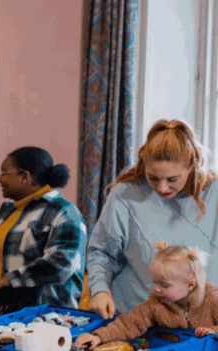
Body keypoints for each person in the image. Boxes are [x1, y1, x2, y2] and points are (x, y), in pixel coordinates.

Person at [87, 119, 218, 319]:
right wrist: (99, 288)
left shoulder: (213, 194)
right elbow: (101, 251)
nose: (162, 188)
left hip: (202, 326)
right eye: (153, 178)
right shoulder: (126, 195)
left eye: (172, 179)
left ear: (192, 166)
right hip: (137, 319)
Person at [0, 147, 87, 308]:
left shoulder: (63, 212)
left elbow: (62, 263)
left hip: (42, 316)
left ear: (25, 176)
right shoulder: (8, 210)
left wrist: (7, 281)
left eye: (3, 173)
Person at [77, 242, 218, 348]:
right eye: (155, 282)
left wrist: (213, 330)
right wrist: (99, 336)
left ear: (191, 285)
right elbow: (130, 323)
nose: (156, 289)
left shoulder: (212, 300)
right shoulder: (156, 304)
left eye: (164, 285)